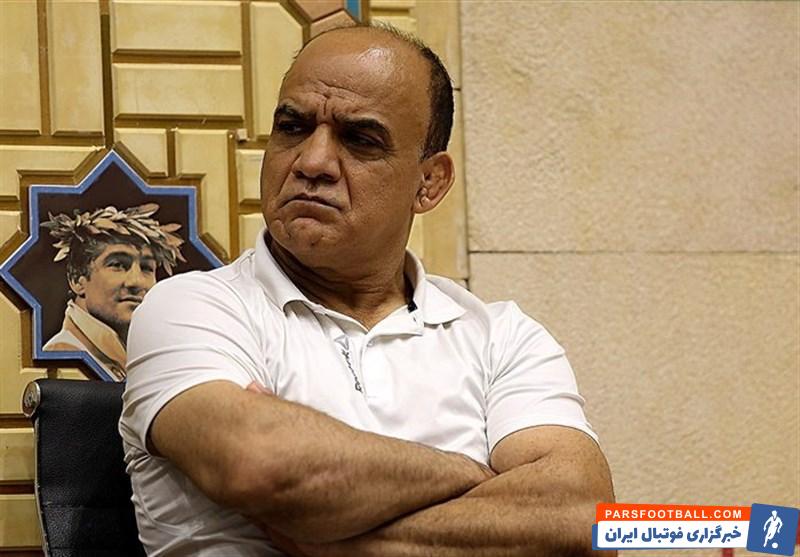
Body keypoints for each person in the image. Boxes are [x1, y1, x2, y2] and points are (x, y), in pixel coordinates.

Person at [119, 23, 615, 556]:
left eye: (360, 139)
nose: (312, 163)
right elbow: (261, 464)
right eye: (293, 127)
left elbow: (594, 520)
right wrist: (474, 475)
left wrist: (338, 541)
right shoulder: (191, 307)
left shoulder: (504, 337)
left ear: (429, 183)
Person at [41, 203, 184, 380]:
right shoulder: (62, 356)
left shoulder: (148, 357)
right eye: (117, 264)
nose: (136, 282)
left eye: (147, 268)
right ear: (77, 279)